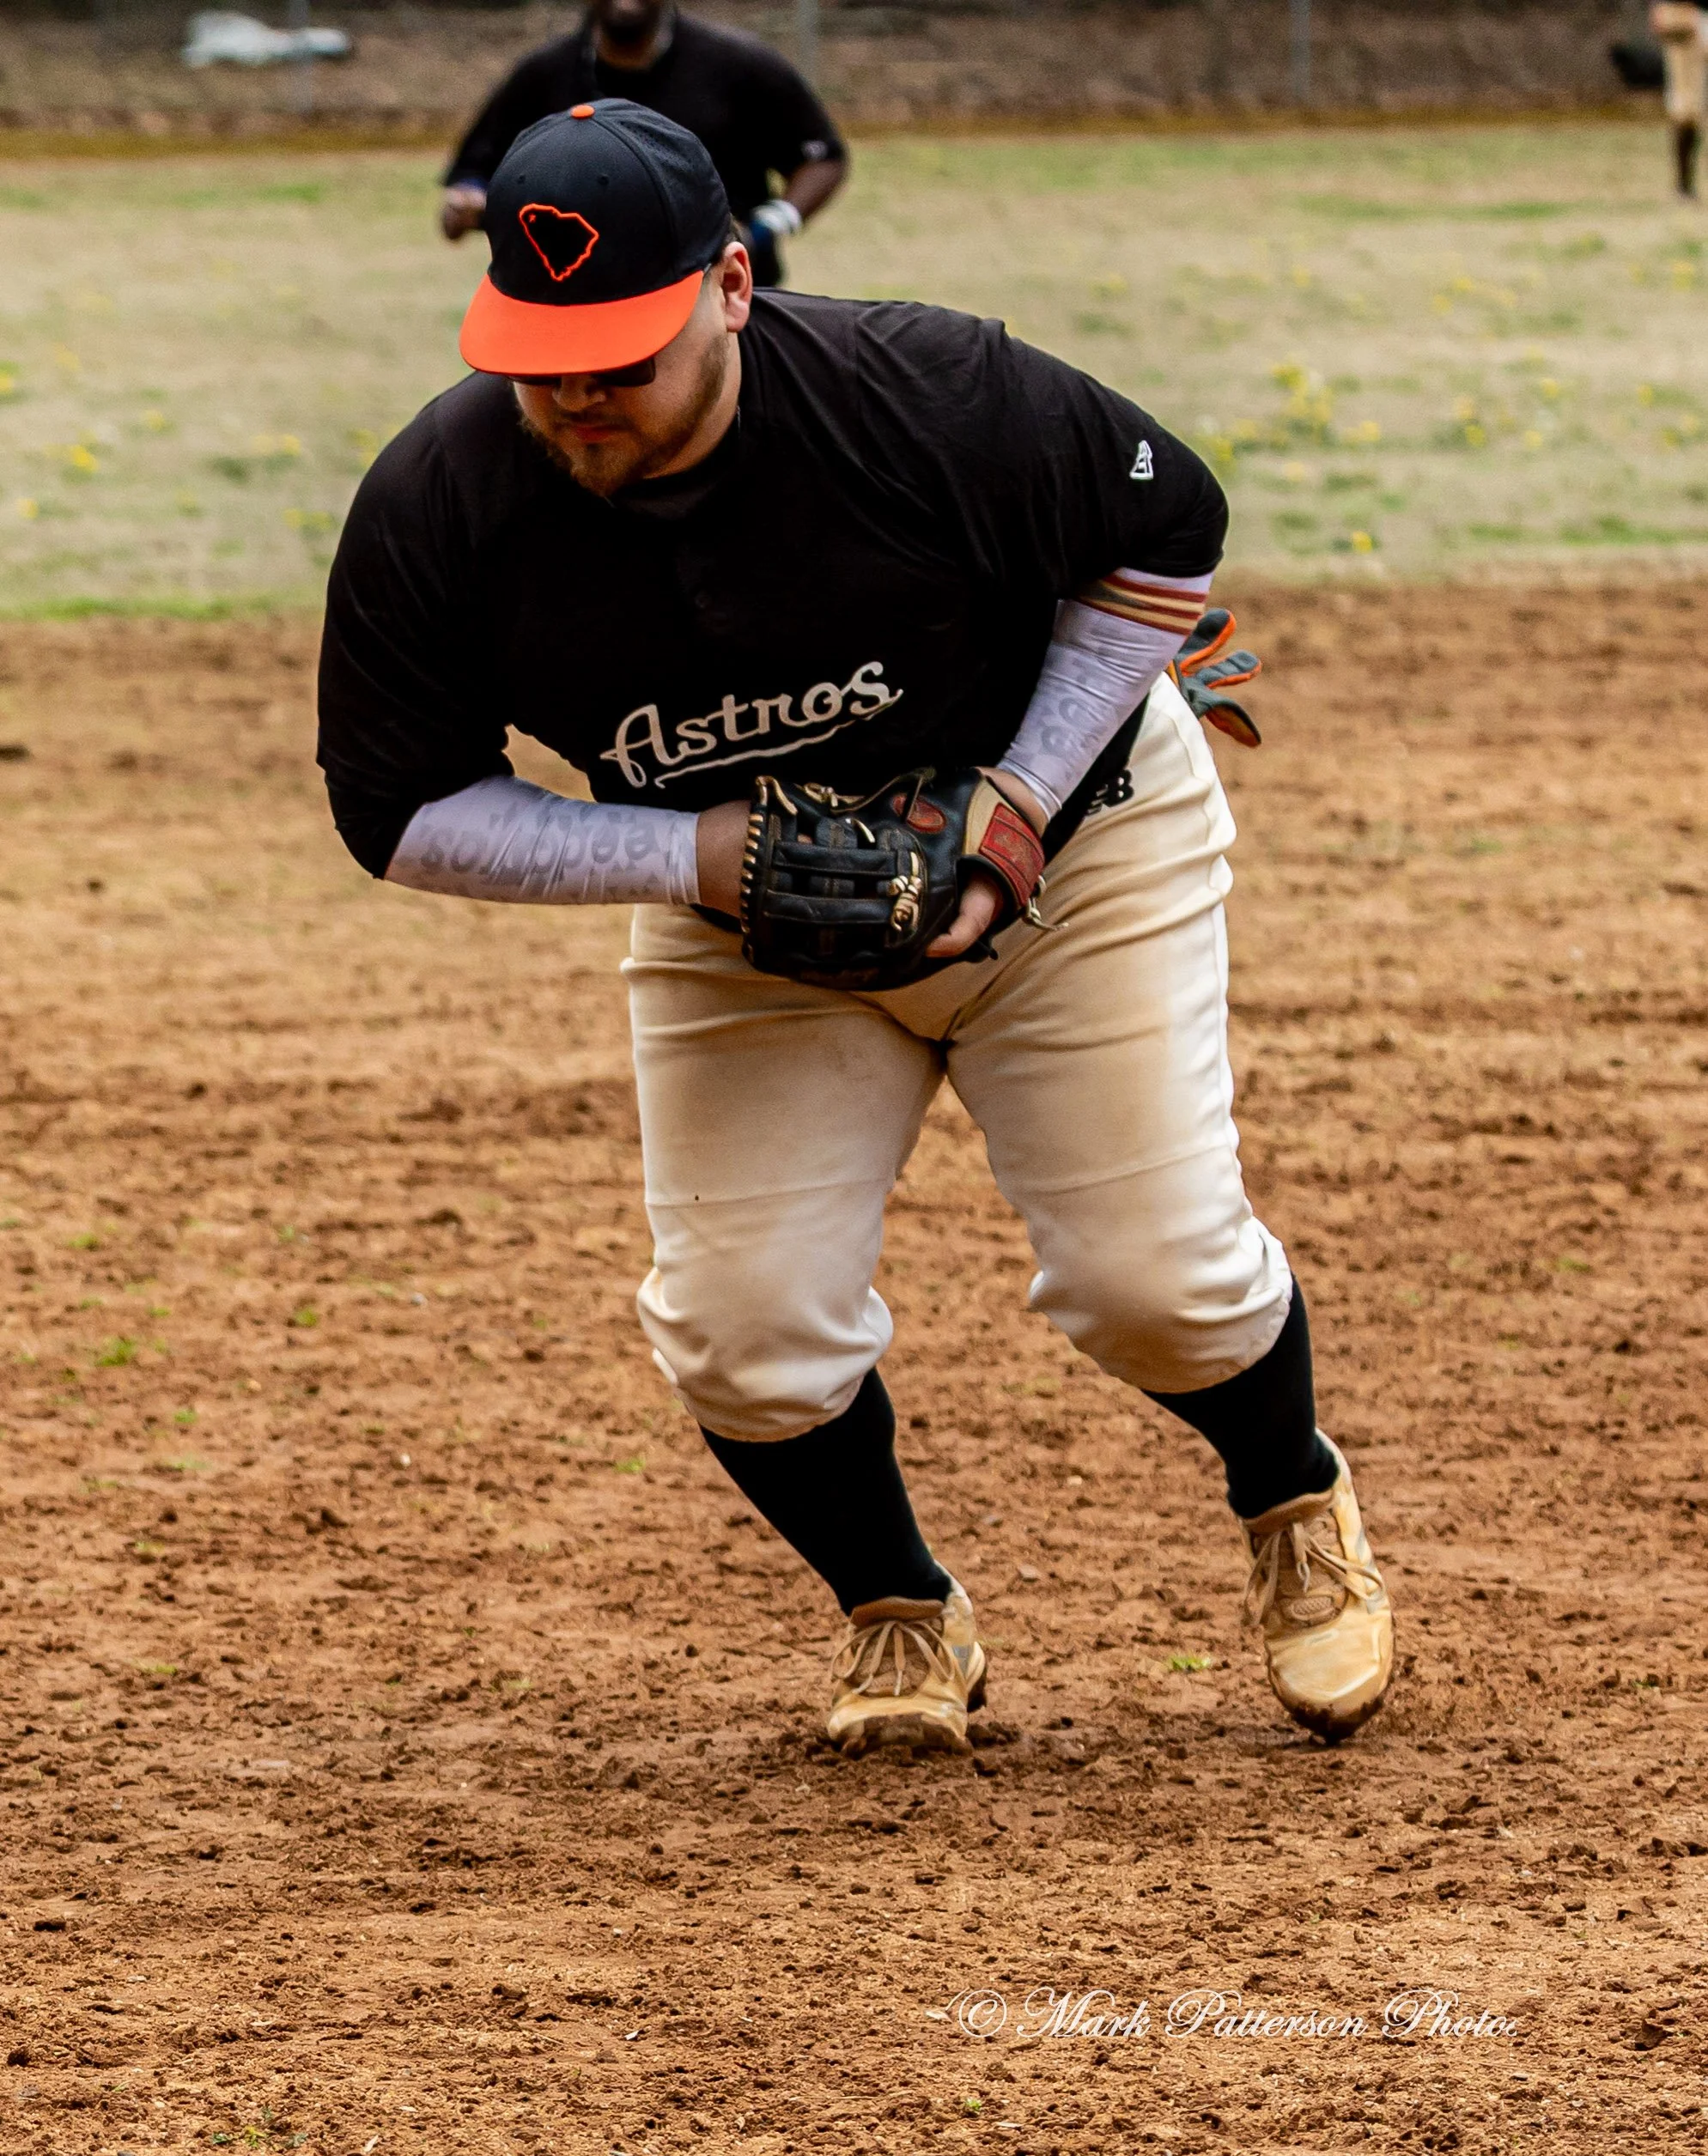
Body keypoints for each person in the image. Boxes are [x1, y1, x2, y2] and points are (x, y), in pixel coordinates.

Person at [318, 101, 1395, 1760]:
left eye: (621, 352)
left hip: (1075, 859)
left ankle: (1289, 1499)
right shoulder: (442, 503)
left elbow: (1160, 529)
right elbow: (396, 810)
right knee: (740, 1334)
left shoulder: (927, 392)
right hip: (738, 919)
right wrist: (694, 852)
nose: (577, 396)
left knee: (1153, 1285)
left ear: (732, 286)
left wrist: (1022, 796)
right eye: (542, 357)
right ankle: (897, 1607)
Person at [439, 0, 845, 284]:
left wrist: (765, 228)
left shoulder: (740, 64)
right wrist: (469, 202)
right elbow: (476, 172)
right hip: (586, 302)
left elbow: (822, 157)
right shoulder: (543, 74)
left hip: (726, 299)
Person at [1650, 0, 1708, 196]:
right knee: (1687, 110)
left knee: (1690, 109)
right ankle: (1684, 186)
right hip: (1683, 14)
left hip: (1695, 16)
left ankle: (1684, 186)